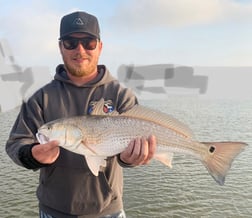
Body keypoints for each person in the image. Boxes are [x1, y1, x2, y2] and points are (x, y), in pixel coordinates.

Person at [5, 11, 156, 218]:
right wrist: (31, 154)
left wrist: (132, 158)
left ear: (100, 47)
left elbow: (129, 153)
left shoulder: (121, 95)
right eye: (70, 42)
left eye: (88, 42)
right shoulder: (40, 97)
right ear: (60, 47)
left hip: (109, 211)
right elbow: (15, 144)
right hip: (53, 211)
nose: (80, 50)